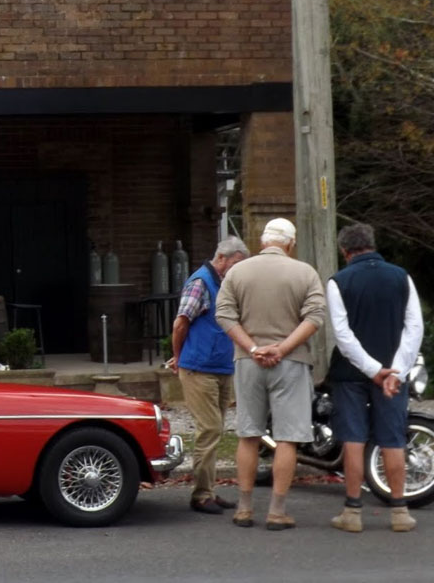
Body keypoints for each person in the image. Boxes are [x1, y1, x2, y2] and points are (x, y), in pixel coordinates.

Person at [215, 217, 326, 531]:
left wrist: (252, 348)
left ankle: (244, 507)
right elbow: (315, 315)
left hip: (248, 362)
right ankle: (277, 511)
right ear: (290, 243)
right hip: (290, 362)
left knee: (248, 433)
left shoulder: (237, 271)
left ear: (263, 242)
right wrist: (283, 347)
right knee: (288, 437)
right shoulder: (305, 272)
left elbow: (224, 313)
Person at [326, 222, 424, 533]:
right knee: (393, 438)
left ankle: (352, 511)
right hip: (394, 373)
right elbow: (414, 328)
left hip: (350, 373)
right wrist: (395, 370)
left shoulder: (338, 282)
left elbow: (342, 335)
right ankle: (399, 510)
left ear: (345, 251)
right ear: (372, 244)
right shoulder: (401, 277)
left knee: (353, 439)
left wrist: (371, 369)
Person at [166, 235, 250, 514]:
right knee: (210, 430)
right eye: (236, 263)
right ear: (222, 258)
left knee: (214, 429)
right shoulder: (201, 282)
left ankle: (209, 491)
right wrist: (179, 357)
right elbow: (181, 323)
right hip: (199, 368)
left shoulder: (223, 283)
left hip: (220, 366)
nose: (238, 269)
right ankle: (201, 495)